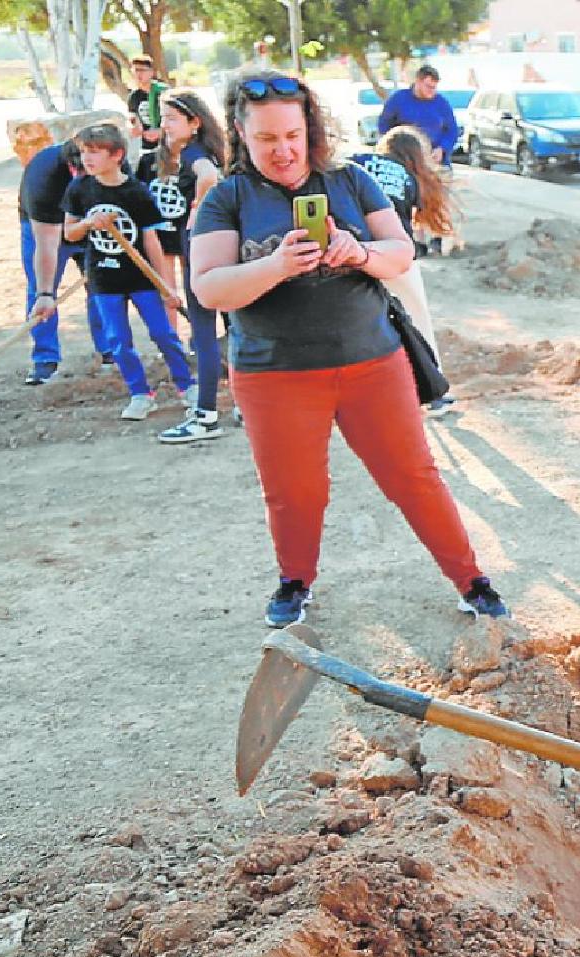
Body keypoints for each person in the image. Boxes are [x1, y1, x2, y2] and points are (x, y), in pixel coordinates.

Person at [189, 70, 508, 628]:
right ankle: (295, 581)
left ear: (308, 128)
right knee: (295, 493)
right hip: (275, 374)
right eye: (266, 140)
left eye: (291, 135)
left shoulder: (351, 180)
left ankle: (471, 579)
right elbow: (209, 286)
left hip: (370, 363)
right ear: (242, 134)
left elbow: (399, 253)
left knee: (414, 477)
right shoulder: (228, 197)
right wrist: (276, 265)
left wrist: (357, 251)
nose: (283, 150)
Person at [61, 122, 194, 421]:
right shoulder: (79, 188)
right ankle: (140, 393)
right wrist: (87, 224)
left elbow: (151, 239)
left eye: (95, 152)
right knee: (118, 341)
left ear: (117, 154)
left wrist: (165, 285)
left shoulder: (136, 192)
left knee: (163, 333)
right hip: (103, 279)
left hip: (140, 277)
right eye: (84, 152)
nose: (88, 159)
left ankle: (188, 387)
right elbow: (69, 233)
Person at [349, 124, 457, 417]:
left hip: (352, 251)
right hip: (394, 254)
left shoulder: (357, 162)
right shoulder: (408, 178)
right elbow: (411, 221)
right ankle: (435, 393)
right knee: (417, 317)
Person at [142, 90, 231, 445]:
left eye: (171, 118)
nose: (163, 125)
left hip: (202, 247)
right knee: (232, 326)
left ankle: (206, 414)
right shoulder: (205, 151)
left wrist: (197, 211)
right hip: (220, 245)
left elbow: (209, 177)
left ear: (195, 123)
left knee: (205, 331)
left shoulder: (195, 154)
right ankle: (238, 404)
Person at [22, 134, 108, 384]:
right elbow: (46, 245)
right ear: (73, 166)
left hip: (91, 224)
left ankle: (109, 350)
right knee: (39, 288)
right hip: (46, 226)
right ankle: (45, 359)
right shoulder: (43, 177)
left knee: (102, 284)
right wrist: (46, 295)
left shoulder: (113, 161)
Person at [376, 65, 459, 168]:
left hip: (434, 161)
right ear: (418, 82)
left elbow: (452, 130)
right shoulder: (399, 99)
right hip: (404, 161)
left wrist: (442, 148)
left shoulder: (441, 103)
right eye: (429, 86)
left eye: (434, 87)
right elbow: (384, 125)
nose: (432, 90)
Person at [125, 55, 166, 155]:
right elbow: (132, 119)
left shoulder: (163, 92)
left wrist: (161, 132)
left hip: (166, 144)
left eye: (142, 70)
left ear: (151, 72)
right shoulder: (134, 96)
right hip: (146, 147)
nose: (138, 74)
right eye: (135, 70)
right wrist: (133, 127)